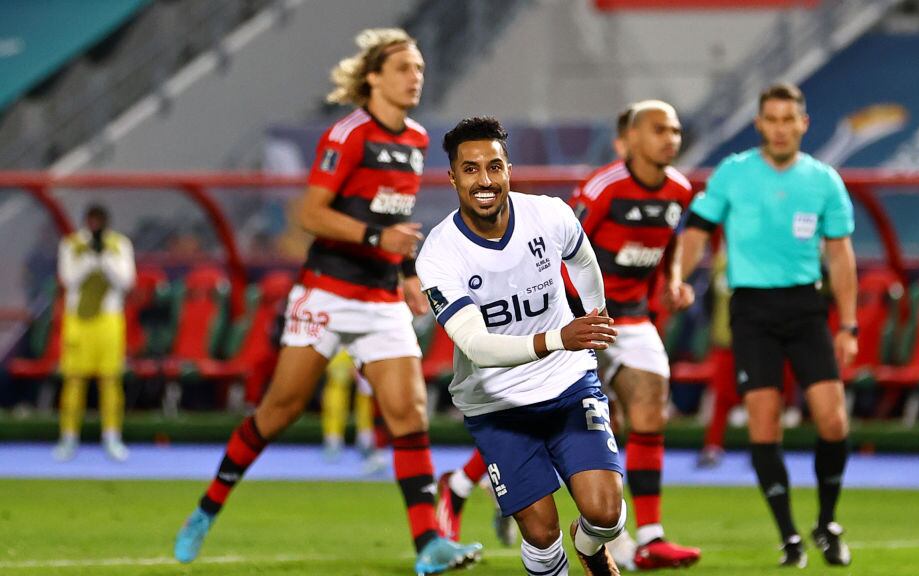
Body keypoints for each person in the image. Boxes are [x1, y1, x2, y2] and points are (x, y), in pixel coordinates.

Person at [173, 28, 482, 574]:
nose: (416, 78)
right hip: (327, 292)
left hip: (381, 296)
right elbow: (309, 214)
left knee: (409, 414)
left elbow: (392, 223)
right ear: (373, 78)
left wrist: (407, 271)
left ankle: (429, 545)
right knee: (280, 410)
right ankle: (206, 508)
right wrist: (373, 239)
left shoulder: (413, 139)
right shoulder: (350, 134)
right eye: (405, 68)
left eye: (420, 70)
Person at [418, 116, 625, 575]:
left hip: (568, 382)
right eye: (470, 170)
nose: (485, 180)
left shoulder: (549, 214)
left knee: (606, 515)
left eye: (494, 166)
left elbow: (584, 258)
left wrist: (595, 317)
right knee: (539, 531)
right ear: (452, 177)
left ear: (509, 168)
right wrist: (560, 337)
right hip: (497, 404)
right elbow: (476, 346)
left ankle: (590, 547)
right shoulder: (439, 255)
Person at [677, 83, 858, 567]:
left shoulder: (824, 181)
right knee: (764, 423)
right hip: (752, 311)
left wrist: (850, 325)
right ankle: (789, 537)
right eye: (771, 120)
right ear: (759, 125)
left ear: (804, 123)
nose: (780, 129)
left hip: (805, 308)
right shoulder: (733, 173)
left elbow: (840, 258)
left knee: (833, 419)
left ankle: (826, 522)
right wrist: (677, 277)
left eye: (788, 119)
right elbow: (696, 230)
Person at [566, 100, 702, 571]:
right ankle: (465, 487)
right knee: (550, 422)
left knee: (650, 409)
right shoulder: (602, 188)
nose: (671, 138)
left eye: (676, 130)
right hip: (579, 320)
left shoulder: (679, 190)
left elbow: (669, 245)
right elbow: (559, 250)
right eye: (660, 129)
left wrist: (674, 280)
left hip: (634, 318)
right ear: (634, 137)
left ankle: (650, 536)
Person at [53, 204, 136, 462]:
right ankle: (68, 437)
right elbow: (69, 280)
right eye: (91, 221)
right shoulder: (71, 244)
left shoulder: (120, 245)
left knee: (110, 380)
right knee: (74, 380)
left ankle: (112, 437)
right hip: (78, 320)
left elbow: (126, 281)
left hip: (109, 319)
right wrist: (90, 258)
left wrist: (105, 259)